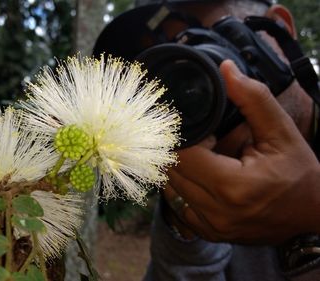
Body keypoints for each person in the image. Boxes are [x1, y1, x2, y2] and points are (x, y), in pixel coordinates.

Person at [93, 0, 320, 280]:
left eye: (208, 42)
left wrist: (312, 210)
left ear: (278, 29)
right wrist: (186, 233)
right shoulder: (198, 203)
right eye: (169, 78)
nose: (193, 82)